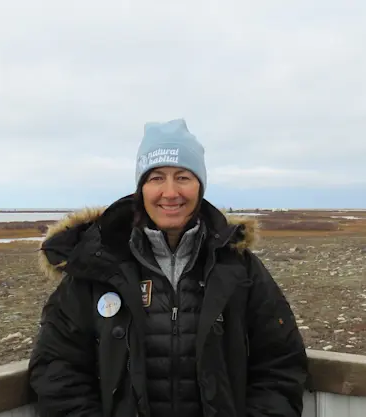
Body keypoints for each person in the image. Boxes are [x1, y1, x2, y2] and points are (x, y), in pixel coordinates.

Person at [28, 119, 309, 417]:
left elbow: (280, 364)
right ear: (141, 188)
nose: (171, 192)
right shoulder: (97, 264)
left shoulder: (239, 269)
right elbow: (56, 368)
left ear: (200, 186)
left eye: (183, 177)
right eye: (157, 178)